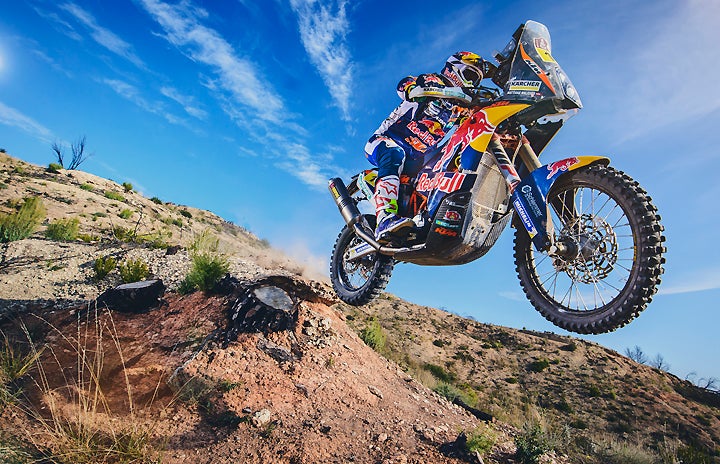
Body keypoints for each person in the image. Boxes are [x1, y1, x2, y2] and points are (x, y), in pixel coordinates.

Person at [364, 51, 495, 242]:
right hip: (386, 141)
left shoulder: (460, 107)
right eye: (470, 75)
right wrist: (414, 89)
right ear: (455, 70)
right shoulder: (434, 81)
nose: (472, 83)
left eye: (476, 80)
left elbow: (470, 127)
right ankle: (384, 218)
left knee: (449, 157)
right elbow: (405, 85)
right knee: (395, 153)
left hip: (419, 157)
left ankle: (426, 216)